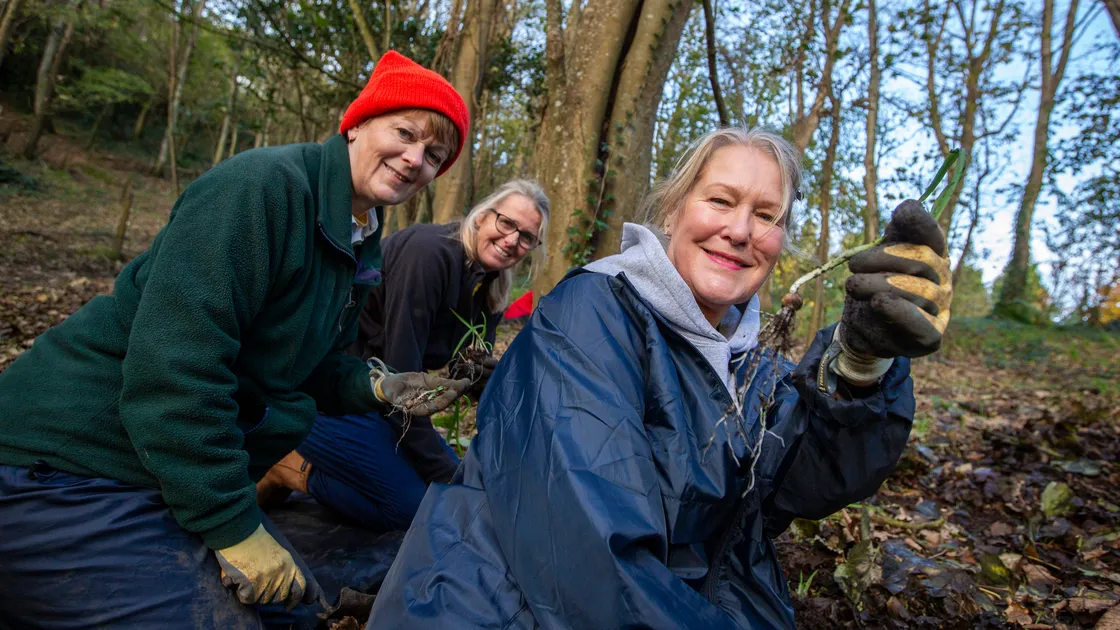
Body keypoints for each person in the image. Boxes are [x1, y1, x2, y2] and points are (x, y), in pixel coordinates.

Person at [366, 127, 954, 629]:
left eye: (767, 215)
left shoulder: (750, 362)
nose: (741, 230)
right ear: (672, 211)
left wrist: (860, 365)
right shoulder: (590, 317)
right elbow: (595, 559)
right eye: (721, 200)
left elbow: (806, 484)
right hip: (496, 604)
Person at [0, 51, 473, 628]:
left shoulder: (360, 235)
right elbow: (172, 374)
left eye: (435, 156)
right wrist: (232, 524)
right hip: (66, 464)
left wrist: (381, 388)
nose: (414, 160)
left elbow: (312, 367)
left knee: (297, 612)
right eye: (405, 133)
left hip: (164, 467)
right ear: (358, 122)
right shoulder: (261, 190)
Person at [256, 179, 550, 531]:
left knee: (439, 489)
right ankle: (290, 466)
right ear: (484, 216)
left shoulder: (492, 287)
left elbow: (470, 371)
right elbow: (402, 378)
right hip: (331, 393)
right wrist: (450, 475)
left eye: (527, 237)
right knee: (414, 508)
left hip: (382, 400)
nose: (512, 241)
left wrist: (487, 381)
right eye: (507, 223)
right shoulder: (429, 254)